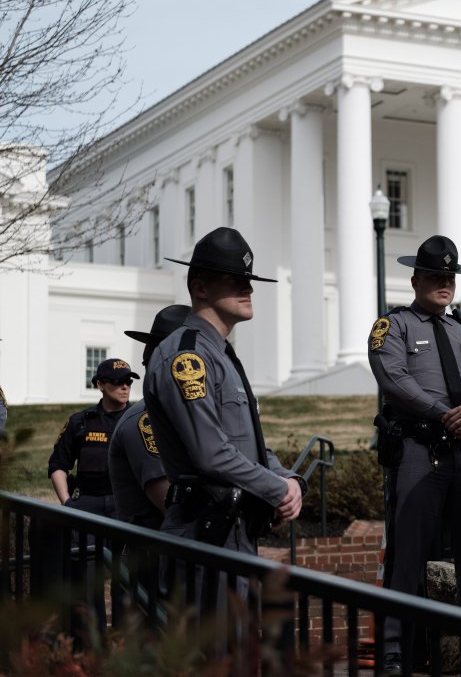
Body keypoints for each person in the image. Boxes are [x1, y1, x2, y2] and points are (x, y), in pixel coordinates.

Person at [368, 234, 461, 675]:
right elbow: (393, 380)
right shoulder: (395, 325)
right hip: (418, 451)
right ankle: (393, 656)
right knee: (407, 558)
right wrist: (446, 413)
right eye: (434, 275)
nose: (444, 283)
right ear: (415, 278)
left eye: (449, 276)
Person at [142, 227, 304, 568]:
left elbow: (244, 441)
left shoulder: (222, 356)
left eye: (248, 279)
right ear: (200, 287)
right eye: (234, 280)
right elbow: (211, 453)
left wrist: (286, 477)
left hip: (235, 527)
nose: (248, 288)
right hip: (204, 532)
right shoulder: (187, 358)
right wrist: (276, 488)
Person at [108, 304, 190, 529]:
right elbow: (172, 504)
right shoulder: (145, 420)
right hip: (154, 556)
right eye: (148, 363)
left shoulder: (192, 414)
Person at [49, 357, 139, 515]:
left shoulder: (139, 421)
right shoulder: (80, 422)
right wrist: (68, 503)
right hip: (86, 506)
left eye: (128, 381)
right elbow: (58, 464)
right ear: (100, 385)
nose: (125, 387)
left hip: (126, 506)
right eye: (118, 381)